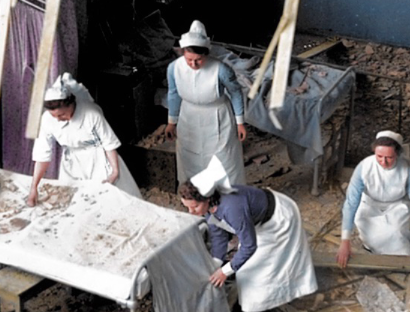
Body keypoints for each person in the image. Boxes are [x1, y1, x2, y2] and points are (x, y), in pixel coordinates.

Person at [180, 157, 317, 312]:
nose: (191, 212)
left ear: (207, 199)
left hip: (278, 221)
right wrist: (215, 266)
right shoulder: (210, 210)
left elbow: (250, 246)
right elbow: (218, 238)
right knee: (247, 270)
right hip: (257, 226)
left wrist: (225, 271)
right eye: (187, 208)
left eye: (194, 208)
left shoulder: (232, 208)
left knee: (255, 275)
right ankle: (254, 307)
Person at [27, 73, 141, 206]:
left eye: (62, 114)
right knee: (76, 204)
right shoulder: (47, 120)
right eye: (54, 116)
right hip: (72, 163)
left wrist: (115, 172)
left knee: (110, 203)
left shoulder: (91, 114)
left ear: (70, 104)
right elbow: (42, 155)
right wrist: (34, 187)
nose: (58, 119)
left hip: (99, 159)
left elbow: (109, 144)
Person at [336, 130, 410, 267]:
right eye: (379, 156)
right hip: (369, 206)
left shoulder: (406, 171)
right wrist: (345, 241)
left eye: (389, 157)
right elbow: (351, 203)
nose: (383, 162)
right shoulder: (364, 167)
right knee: (373, 237)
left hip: (396, 207)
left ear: (397, 154)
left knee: (395, 232)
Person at [165, 20, 248, 188]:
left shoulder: (221, 69)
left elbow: (236, 93)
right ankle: (195, 197)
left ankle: (227, 197)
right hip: (188, 117)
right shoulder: (174, 68)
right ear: (183, 53)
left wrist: (240, 122)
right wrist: (171, 122)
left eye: (198, 60)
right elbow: (173, 94)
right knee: (190, 159)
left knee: (224, 160)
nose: (193, 64)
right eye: (189, 59)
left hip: (218, 117)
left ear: (206, 54)